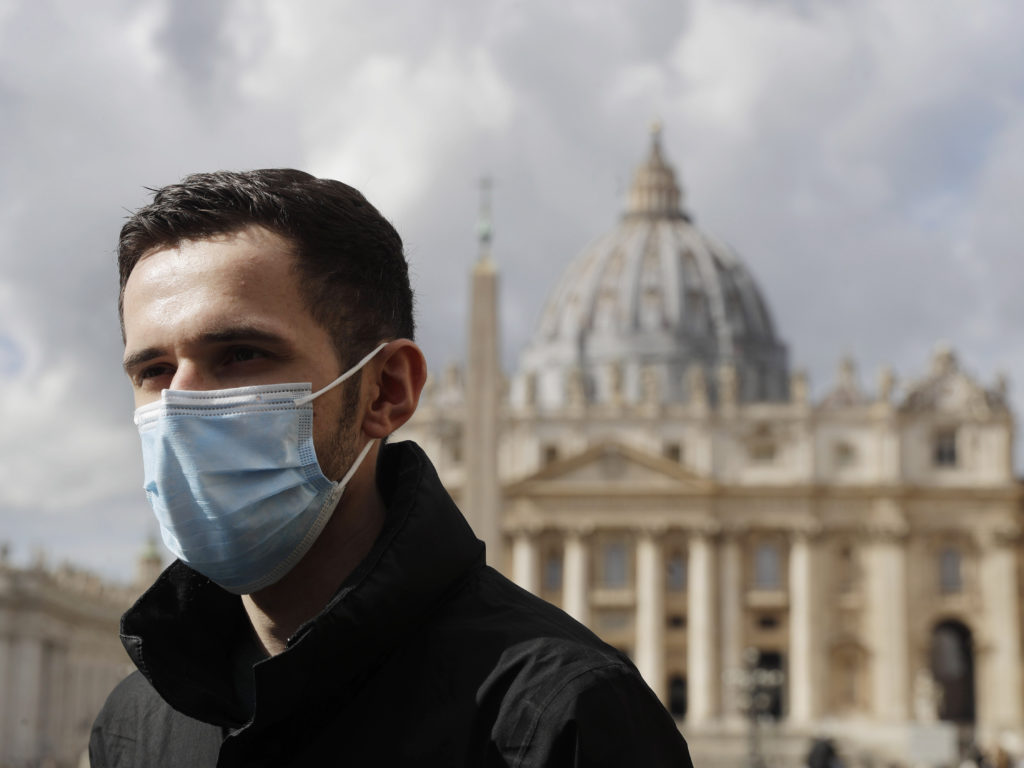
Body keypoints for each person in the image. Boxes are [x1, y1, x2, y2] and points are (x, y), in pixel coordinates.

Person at [89, 169, 694, 767]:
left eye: (242, 354)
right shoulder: (134, 725)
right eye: (153, 370)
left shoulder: (567, 717)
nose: (184, 404)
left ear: (386, 391)